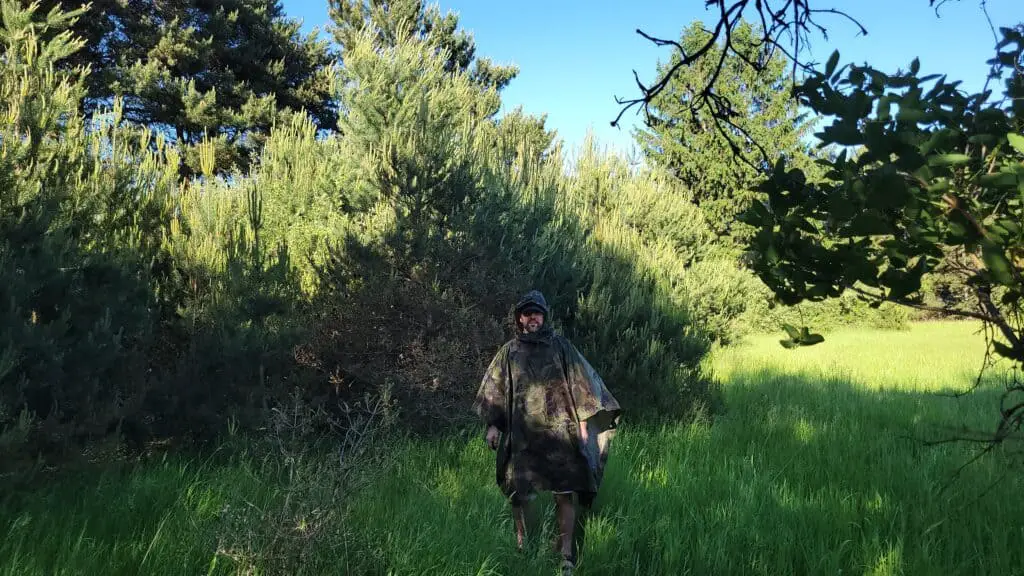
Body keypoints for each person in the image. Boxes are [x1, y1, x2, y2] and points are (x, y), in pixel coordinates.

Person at [474, 290, 621, 574]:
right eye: (527, 313)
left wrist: (583, 427)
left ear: (544, 316)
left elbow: (582, 385)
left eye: (537, 313)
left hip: (560, 432)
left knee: (564, 491)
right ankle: (522, 546)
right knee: (520, 493)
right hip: (522, 435)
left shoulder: (561, 347)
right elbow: (496, 391)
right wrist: (493, 425)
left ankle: (565, 554)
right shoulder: (509, 352)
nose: (532, 318)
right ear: (520, 318)